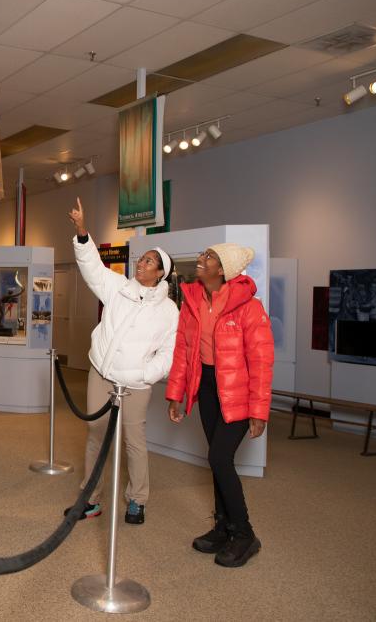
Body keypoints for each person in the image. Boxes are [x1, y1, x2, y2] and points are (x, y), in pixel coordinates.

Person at [66, 198, 178, 524]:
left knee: (134, 440)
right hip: (101, 372)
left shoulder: (169, 311)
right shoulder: (119, 288)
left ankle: (137, 500)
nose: (142, 264)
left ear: (160, 274)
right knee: (95, 432)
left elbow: (169, 354)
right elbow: (93, 269)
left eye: (150, 262)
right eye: (141, 259)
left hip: (136, 383)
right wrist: (82, 231)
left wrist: (145, 374)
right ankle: (90, 498)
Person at [165, 243, 274, 568]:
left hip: (238, 391)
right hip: (209, 387)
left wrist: (259, 410)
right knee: (218, 460)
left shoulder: (249, 308)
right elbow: (184, 350)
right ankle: (223, 527)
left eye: (209, 257)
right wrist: (176, 392)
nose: (201, 259)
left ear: (224, 270)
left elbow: (262, 360)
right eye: (202, 255)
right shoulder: (193, 302)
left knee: (218, 457)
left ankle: (244, 534)